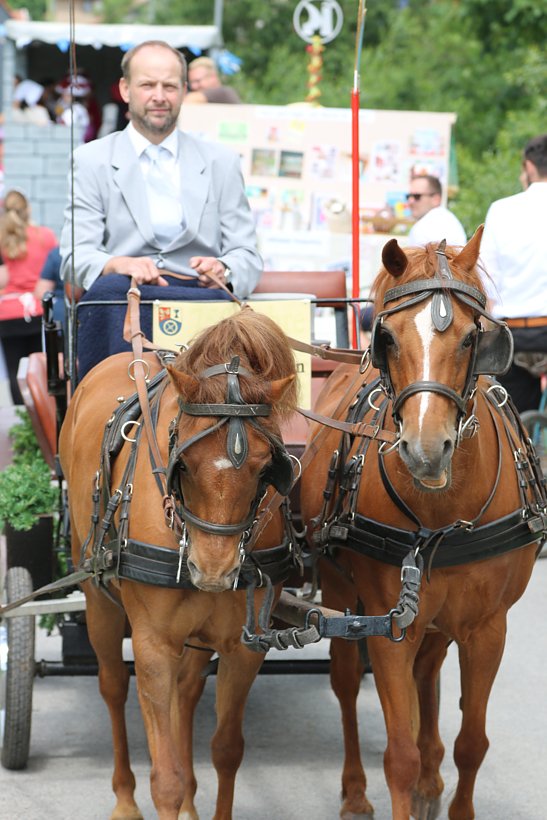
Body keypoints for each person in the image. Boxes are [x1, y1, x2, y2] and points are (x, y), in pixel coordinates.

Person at [59, 40, 261, 378]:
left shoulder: (220, 161)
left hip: (200, 299)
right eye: (147, 85)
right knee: (106, 293)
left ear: (183, 91)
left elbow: (248, 256)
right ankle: (111, 414)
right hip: (123, 299)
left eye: (169, 86)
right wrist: (116, 263)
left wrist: (224, 268)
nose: (159, 96)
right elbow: (73, 256)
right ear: (125, 89)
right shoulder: (90, 160)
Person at [480, 134, 547, 413]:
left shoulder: (502, 209)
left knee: (513, 427)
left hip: (513, 335)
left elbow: (486, 280)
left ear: (529, 167)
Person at [0, 190, 58, 404]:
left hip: (7, 312)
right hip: (37, 309)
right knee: (37, 367)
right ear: (28, 209)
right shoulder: (46, 235)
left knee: (15, 368)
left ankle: (20, 418)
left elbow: (3, 279)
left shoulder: (2, 238)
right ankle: (39, 415)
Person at [406, 174, 467, 247]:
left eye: (417, 196)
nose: (410, 201)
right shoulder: (450, 220)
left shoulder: (423, 227)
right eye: (408, 196)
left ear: (436, 199)